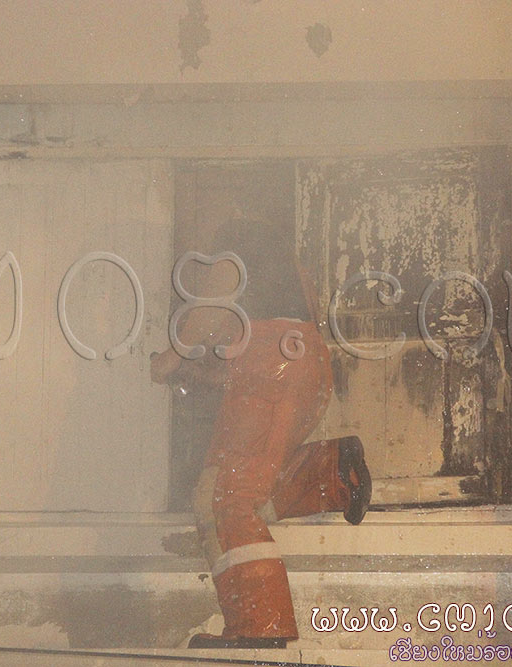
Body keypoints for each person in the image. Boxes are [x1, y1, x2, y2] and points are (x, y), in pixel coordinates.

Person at [150, 213, 372, 649]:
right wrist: (212, 372)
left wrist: (167, 360)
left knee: (224, 499)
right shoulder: (285, 261)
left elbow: (209, 311)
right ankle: (331, 472)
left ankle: (258, 627)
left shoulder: (233, 245)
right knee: (253, 485)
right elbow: (273, 331)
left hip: (270, 374)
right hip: (309, 369)